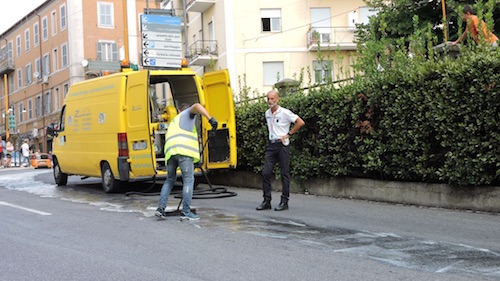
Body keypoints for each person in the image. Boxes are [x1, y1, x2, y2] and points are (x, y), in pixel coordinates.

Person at [155, 103, 218, 220]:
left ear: (178, 110)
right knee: (188, 180)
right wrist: (210, 119)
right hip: (183, 152)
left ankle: (160, 208)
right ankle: (186, 212)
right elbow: (197, 105)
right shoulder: (188, 114)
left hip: (171, 153)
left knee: (169, 180)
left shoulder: (175, 121)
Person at [256, 90, 305, 211]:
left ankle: (284, 202)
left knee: (284, 174)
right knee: (266, 172)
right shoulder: (267, 113)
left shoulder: (284, 112)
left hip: (282, 145)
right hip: (271, 145)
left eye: (272, 99)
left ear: (278, 99)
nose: (270, 101)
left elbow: (300, 122)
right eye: (268, 99)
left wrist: (288, 134)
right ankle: (267, 201)